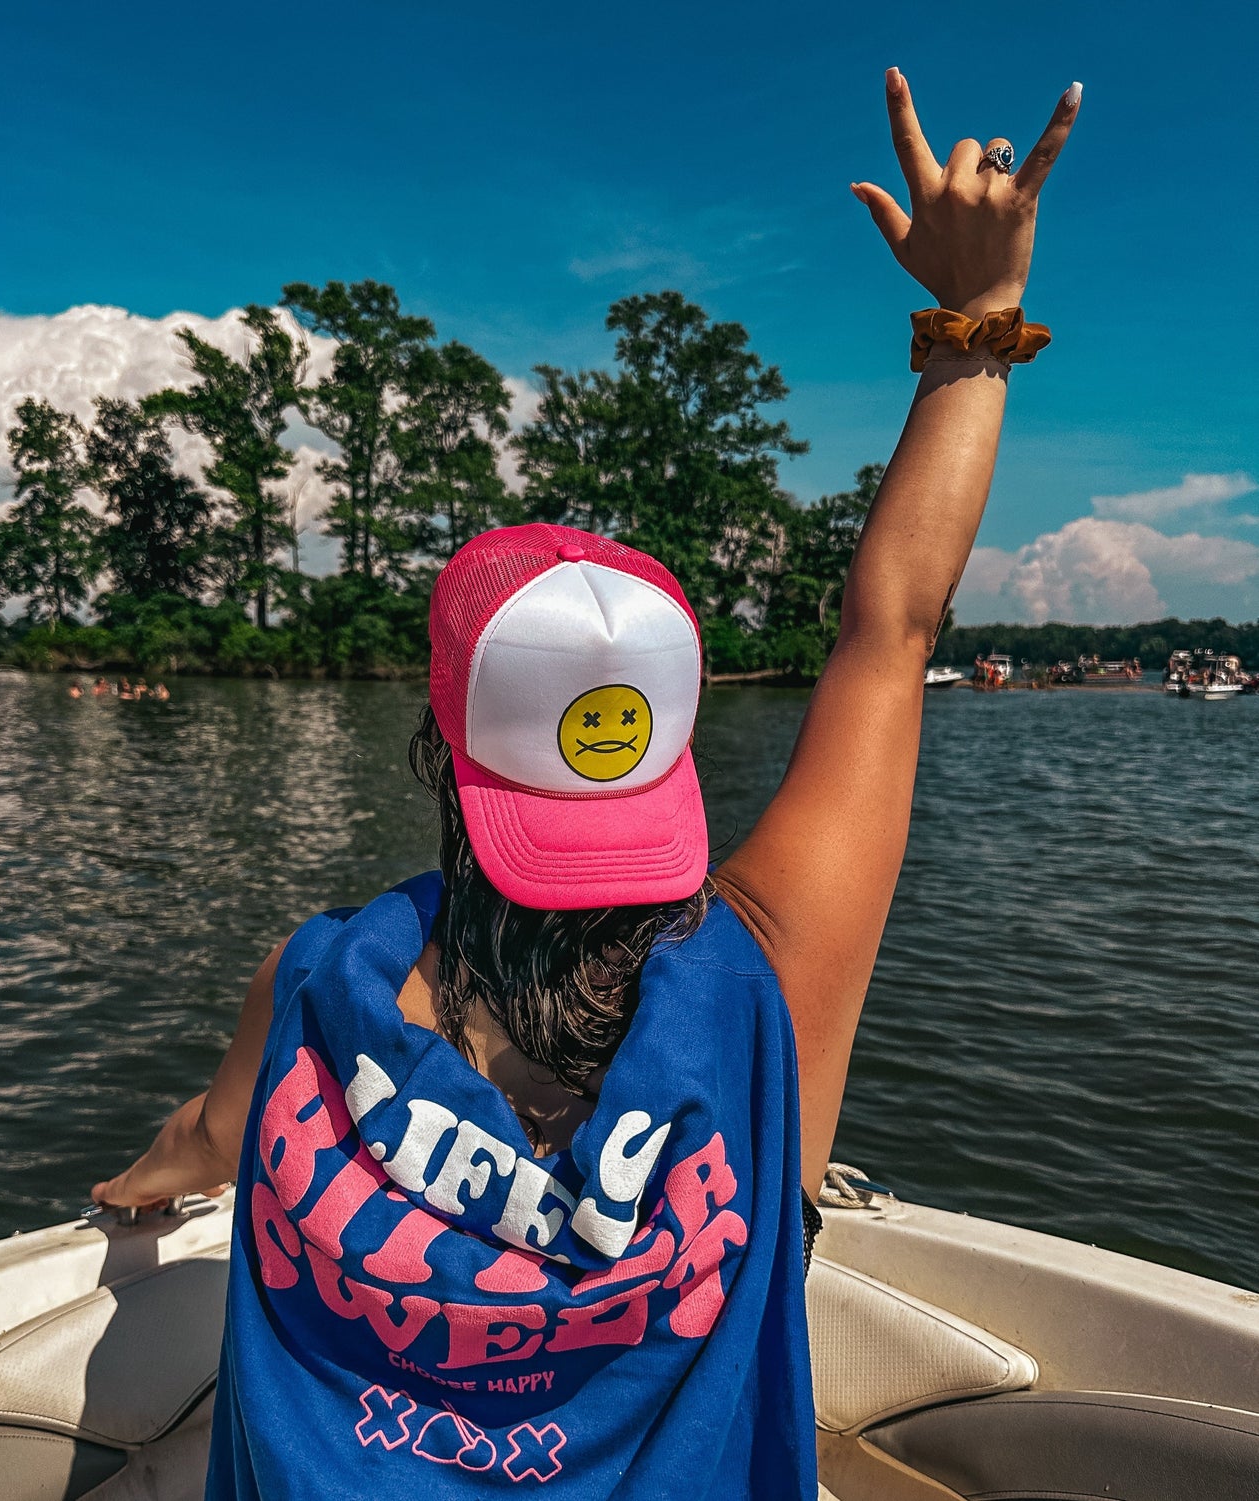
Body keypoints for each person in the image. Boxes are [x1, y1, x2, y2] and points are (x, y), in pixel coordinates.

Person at [95, 69, 1080, 1501]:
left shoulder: (313, 989)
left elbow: (210, 1133)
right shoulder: (765, 993)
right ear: (664, 751)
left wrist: (134, 1190)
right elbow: (893, 628)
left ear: (439, 752)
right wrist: (969, 333)